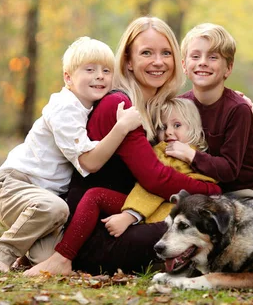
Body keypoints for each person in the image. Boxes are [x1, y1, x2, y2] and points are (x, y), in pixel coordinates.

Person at [22, 16, 222, 276]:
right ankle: (62, 260)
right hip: (94, 233)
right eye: (146, 53)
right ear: (127, 61)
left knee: (205, 225)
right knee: (202, 228)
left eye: (166, 53)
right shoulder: (119, 106)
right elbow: (155, 179)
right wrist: (212, 191)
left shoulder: (154, 109)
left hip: (126, 216)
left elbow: (188, 114)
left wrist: (227, 95)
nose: (158, 62)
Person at [0, 36, 143, 274]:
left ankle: (28, 251)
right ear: (68, 78)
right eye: (89, 70)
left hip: (44, 198)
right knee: (55, 208)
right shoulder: (65, 107)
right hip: (16, 185)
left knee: (49, 255)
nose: (99, 75)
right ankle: (4, 250)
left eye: (106, 70)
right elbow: (89, 161)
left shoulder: (89, 108)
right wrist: (121, 127)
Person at [23, 98, 213, 276]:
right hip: (142, 205)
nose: (169, 132)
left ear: (195, 129)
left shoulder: (187, 155)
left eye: (177, 125)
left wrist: (129, 216)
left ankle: (62, 258)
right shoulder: (163, 149)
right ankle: (63, 254)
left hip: (158, 211)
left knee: (100, 199)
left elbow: (154, 189)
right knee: (95, 196)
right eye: (163, 127)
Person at [171, 22, 253, 200]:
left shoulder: (238, 109)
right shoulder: (180, 106)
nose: (202, 62)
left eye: (213, 57)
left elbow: (229, 170)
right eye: (195, 56)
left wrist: (190, 155)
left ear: (228, 68)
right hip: (220, 191)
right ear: (184, 65)